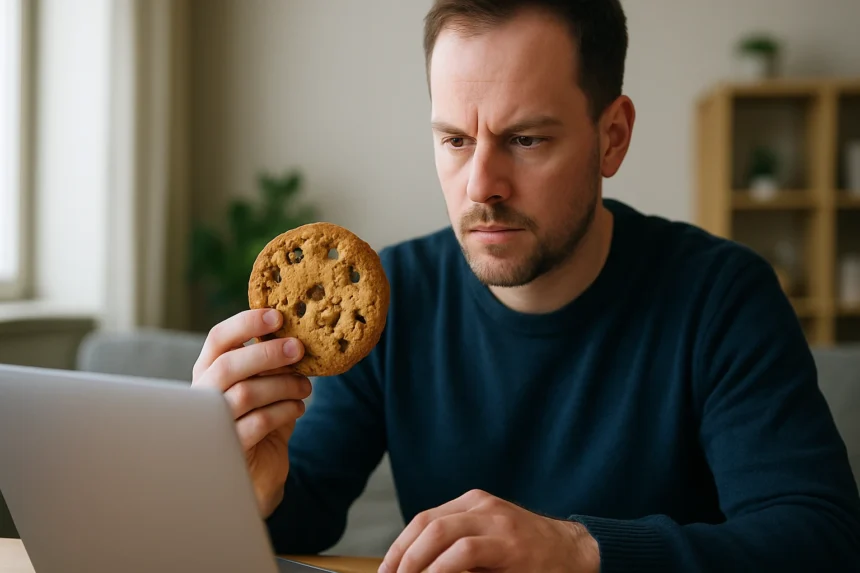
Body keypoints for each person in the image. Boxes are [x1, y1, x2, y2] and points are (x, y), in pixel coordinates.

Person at [190, 1, 860, 571]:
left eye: (527, 139)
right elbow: (305, 513)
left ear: (613, 137)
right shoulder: (399, 296)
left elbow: (822, 538)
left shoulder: (721, 297)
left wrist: (579, 548)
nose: (481, 185)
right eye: (454, 139)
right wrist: (252, 490)